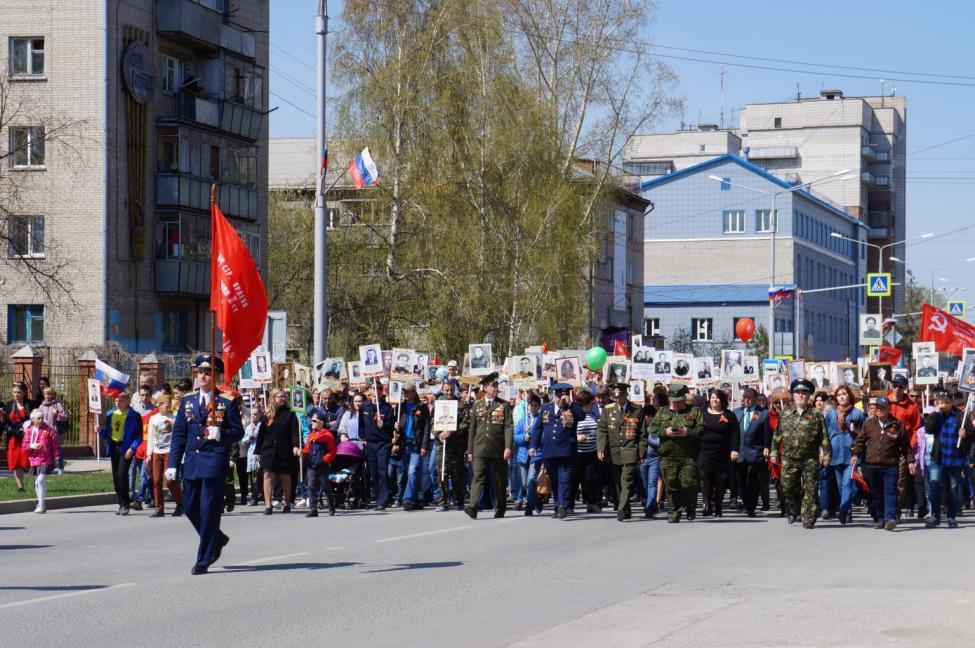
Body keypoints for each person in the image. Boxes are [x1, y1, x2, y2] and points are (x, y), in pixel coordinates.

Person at [167, 355, 244, 575]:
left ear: (217, 375)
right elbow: (179, 434)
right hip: (191, 462)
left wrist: (222, 434)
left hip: (213, 462)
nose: (203, 375)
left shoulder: (226, 401)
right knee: (190, 508)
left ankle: (204, 558)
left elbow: (238, 432)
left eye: (208, 372)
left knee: (209, 511)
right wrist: (173, 463)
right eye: (200, 372)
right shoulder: (187, 401)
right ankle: (217, 538)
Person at [771, 379, 832, 529]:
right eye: (797, 392)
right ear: (792, 395)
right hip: (789, 457)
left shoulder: (816, 414)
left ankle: (808, 517)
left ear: (809, 395)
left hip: (809, 458)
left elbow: (824, 436)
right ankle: (796, 509)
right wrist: (773, 452)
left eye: (804, 392)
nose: (801, 395)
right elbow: (777, 435)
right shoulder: (785, 413)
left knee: (811, 488)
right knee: (788, 486)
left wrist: (827, 454)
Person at [851, 396, 913, 530]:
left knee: (890, 491)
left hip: (890, 465)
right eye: (877, 407)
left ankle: (889, 518)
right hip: (872, 465)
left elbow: (906, 446)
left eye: (883, 407)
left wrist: (910, 461)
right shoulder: (869, 423)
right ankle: (879, 518)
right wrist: (855, 454)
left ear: (889, 409)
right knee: (876, 494)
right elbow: (859, 441)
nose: (879, 410)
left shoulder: (898, 424)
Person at [463, 373, 513, 519]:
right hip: (480, 448)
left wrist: (508, 447)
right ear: (485, 388)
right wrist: (470, 450)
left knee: (499, 480)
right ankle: (472, 507)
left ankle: (500, 508)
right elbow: (472, 429)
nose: (497, 388)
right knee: (478, 477)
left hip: (498, 448)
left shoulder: (503, 405)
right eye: (494, 386)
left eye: (497, 386)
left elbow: (508, 427)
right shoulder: (477, 405)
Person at [531, 382, 583, 519]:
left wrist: (571, 403)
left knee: (564, 480)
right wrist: (533, 446)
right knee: (554, 481)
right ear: (555, 396)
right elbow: (537, 429)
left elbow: (582, 415)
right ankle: (557, 506)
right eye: (560, 395)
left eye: (565, 394)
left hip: (567, 452)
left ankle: (562, 506)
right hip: (550, 451)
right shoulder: (546, 408)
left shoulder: (573, 408)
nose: (562, 398)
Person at [652, 384, 703, 523]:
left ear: (684, 399)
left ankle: (690, 507)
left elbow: (702, 430)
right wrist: (666, 432)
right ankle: (674, 512)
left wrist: (688, 432)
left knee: (688, 484)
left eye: (680, 401)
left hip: (688, 456)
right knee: (671, 485)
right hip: (668, 456)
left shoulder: (694, 411)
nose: (677, 404)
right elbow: (653, 429)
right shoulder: (662, 412)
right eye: (674, 401)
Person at [597, 383, 646, 522]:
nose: (618, 399)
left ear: (626, 395)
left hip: (630, 449)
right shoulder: (608, 409)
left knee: (627, 481)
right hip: (614, 450)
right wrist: (600, 448)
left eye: (621, 396)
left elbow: (642, 434)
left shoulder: (636, 409)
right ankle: (626, 508)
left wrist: (642, 453)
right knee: (618, 482)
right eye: (616, 396)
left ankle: (621, 508)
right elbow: (602, 429)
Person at [821, 385, 863, 525]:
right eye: (839, 395)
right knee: (840, 486)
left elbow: (864, 435)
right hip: (835, 453)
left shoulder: (857, 413)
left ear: (849, 395)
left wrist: (855, 430)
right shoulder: (830, 414)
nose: (842, 397)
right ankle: (848, 513)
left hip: (851, 454)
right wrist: (824, 452)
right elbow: (825, 434)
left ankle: (843, 511)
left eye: (844, 394)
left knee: (847, 483)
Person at [925, 390, 968, 528]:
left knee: (953, 488)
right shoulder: (936, 416)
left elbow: (972, 434)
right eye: (941, 402)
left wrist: (966, 434)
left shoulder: (960, 416)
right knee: (935, 485)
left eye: (946, 402)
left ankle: (951, 516)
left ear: (952, 402)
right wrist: (936, 413)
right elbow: (929, 429)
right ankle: (935, 516)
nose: (944, 405)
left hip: (955, 458)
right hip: (938, 458)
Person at [254, 388, 300, 515]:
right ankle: (268, 505)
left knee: (285, 476)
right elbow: (261, 434)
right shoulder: (267, 414)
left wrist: (295, 445)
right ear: (273, 398)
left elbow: (294, 431)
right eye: (280, 396)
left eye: (284, 396)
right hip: (268, 450)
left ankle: (287, 504)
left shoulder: (291, 413)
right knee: (267, 475)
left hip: (285, 451)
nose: (283, 399)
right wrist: (256, 451)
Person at [100, 391, 143, 515]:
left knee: (122, 474)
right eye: (116, 401)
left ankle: (125, 504)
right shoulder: (110, 414)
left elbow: (138, 436)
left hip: (126, 447)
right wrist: (100, 431)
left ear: (128, 401)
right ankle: (120, 502)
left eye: (121, 401)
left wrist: (132, 448)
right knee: (115, 476)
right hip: (114, 446)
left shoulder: (134, 415)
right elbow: (107, 433)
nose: (118, 403)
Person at [698, 389, 739, 517]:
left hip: (722, 453)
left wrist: (734, 449)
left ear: (722, 400)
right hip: (705, 452)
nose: (714, 400)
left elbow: (735, 434)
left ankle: (718, 506)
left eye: (717, 398)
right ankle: (706, 503)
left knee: (721, 480)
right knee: (705, 477)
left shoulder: (729, 415)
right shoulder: (702, 414)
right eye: (712, 397)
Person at [733, 387, 772, 517]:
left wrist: (766, 446)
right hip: (740, 453)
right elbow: (733, 434)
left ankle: (751, 507)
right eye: (745, 397)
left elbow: (767, 433)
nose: (747, 400)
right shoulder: (736, 412)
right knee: (741, 482)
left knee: (753, 481)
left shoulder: (763, 413)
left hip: (755, 452)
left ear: (755, 399)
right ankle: (746, 502)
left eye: (749, 398)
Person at [361, 384, 396, 510]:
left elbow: (391, 426)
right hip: (370, 444)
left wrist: (384, 424)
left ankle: (383, 500)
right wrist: (363, 438)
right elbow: (361, 424)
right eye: (373, 388)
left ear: (382, 392)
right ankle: (378, 496)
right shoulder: (364, 406)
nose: (376, 391)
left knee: (382, 470)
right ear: (370, 390)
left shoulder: (387, 408)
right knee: (373, 472)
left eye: (379, 389)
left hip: (383, 443)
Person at [146, 393, 182, 517]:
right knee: (156, 481)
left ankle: (180, 503)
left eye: (169, 405)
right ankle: (159, 507)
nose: (168, 407)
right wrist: (148, 454)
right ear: (160, 405)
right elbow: (150, 436)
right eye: (166, 405)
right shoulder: (153, 419)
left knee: (170, 481)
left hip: (170, 453)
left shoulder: (174, 418)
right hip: (157, 452)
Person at [434, 381, 467, 512]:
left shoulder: (461, 405)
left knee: (457, 474)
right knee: (441, 473)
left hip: (456, 444)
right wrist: (439, 435)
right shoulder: (438, 405)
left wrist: (451, 431)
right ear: (442, 391)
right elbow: (432, 422)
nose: (449, 393)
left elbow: (465, 423)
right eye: (447, 390)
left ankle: (459, 500)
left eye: (451, 390)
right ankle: (443, 501)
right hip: (442, 445)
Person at [398, 382, 432, 510]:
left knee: (412, 471)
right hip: (404, 444)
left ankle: (406, 499)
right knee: (412, 473)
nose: (405, 394)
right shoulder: (400, 407)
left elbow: (426, 428)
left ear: (413, 392)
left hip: (416, 444)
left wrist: (424, 446)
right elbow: (397, 424)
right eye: (404, 392)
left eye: (408, 391)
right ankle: (416, 500)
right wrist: (396, 427)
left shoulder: (421, 407)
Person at [24, 409, 59, 513]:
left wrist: (56, 457)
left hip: (46, 458)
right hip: (34, 459)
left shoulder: (48, 429)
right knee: (37, 482)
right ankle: (40, 504)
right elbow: (24, 445)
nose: (41, 419)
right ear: (32, 419)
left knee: (40, 480)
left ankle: (42, 504)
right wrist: (32, 446)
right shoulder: (29, 430)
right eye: (38, 418)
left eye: (41, 417)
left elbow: (54, 443)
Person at [303, 412, 337, 517]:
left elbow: (333, 450)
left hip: (322, 464)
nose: (311, 423)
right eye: (311, 421)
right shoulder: (311, 435)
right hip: (312, 464)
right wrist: (302, 452)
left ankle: (331, 506)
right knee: (311, 486)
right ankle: (313, 509)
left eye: (314, 421)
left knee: (325, 486)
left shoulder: (327, 435)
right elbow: (307, 449)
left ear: (321, 423)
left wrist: (325, 459)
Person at [574, 389, 601, 514]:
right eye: (591, 402)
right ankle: (569, 504)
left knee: (592, 479)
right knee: (575, 479)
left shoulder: (593, 415)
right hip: (577, 453)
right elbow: (567, 431)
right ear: (585, 403)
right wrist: (577, 437)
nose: (593, 404)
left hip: (591, 452)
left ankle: (591, 502)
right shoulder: (575, 416)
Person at [4, 382, 32, 492]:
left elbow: (35, 419)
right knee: (16, 463)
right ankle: (20, 486)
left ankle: (33, 478)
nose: (16, 394)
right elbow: (5, 422)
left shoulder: (29, 404)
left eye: (19, 392)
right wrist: (11, 429)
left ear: (24, 393)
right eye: (14, 392)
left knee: (26, 462)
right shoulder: (9, 405)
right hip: (13, 439)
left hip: (26, 438)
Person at [37, 387, 68, 474]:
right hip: (44, 432)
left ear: (53, 395)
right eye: (46, 394)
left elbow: (64, 416)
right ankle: (49, 467)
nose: (48, 396)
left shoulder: (57, 404)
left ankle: (61, 467)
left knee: (57, 450)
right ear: (43, 395)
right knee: (46, 450)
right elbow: (38, 416)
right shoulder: (41, 406)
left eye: (50, 394)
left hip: (54, 431)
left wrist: (57, 414)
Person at [243, 408, 262, 505]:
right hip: (251, 454)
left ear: (259, 415)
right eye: (252, 414)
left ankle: (262, 494)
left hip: (261, 454)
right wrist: (249, 438)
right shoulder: (248, 427)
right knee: (252, 477)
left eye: (255, 414)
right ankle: (254, 497)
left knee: (260, 476)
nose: (254, 416)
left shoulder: (262, 426)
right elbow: (244, 441)